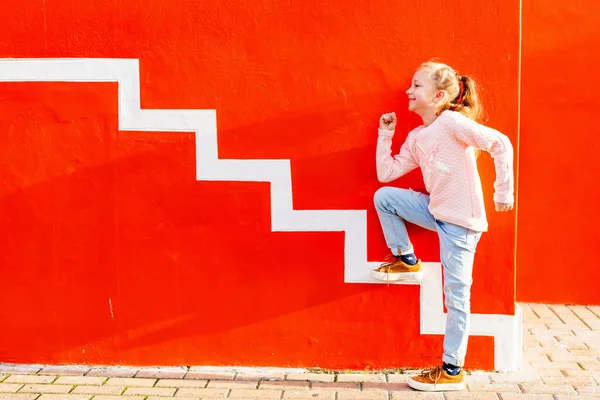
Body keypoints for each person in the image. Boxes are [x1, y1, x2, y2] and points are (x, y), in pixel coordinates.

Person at [372, 61, 515, 391]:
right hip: (436, 211)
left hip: (460, 225)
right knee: (385, 197)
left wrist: (502, 191)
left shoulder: (452, 122)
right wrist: (386, 134)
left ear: (438, 95)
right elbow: (387, 174)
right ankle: (406, 259)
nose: (408, 91)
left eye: (416, 86)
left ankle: (452, 369)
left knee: (457, 296)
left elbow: (500, 144)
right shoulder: (417, 136)